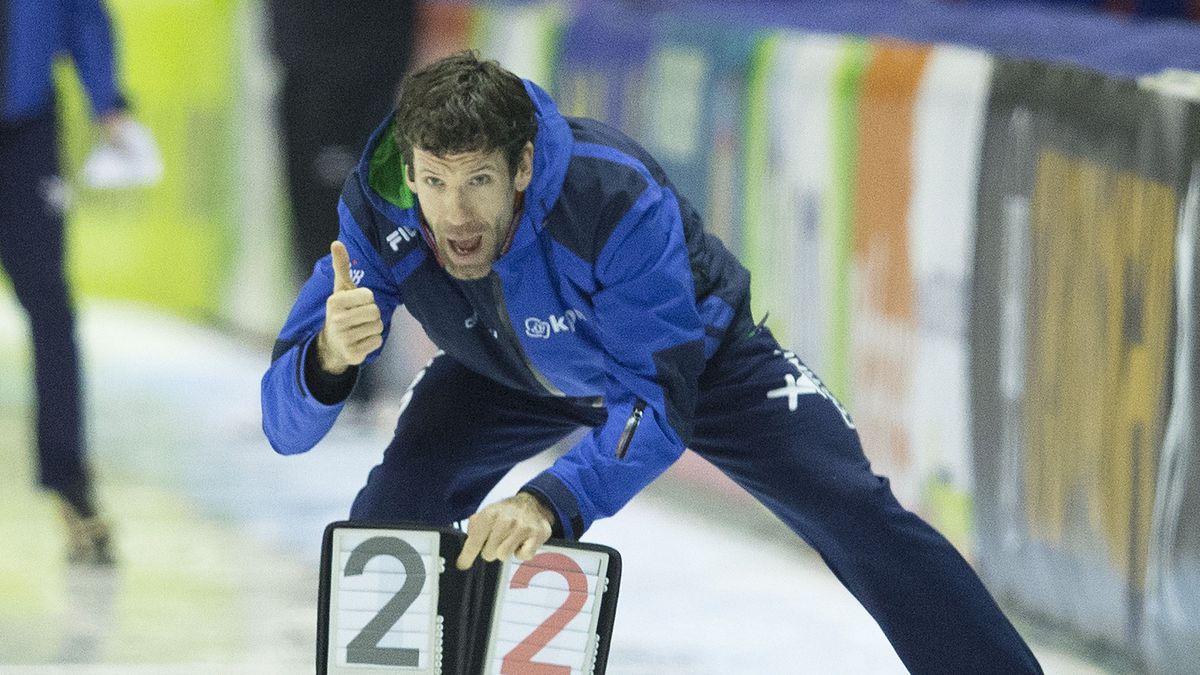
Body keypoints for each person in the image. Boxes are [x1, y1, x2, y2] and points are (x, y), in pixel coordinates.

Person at [261, 51, 1043, 674]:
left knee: (857, 511)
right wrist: (328, 358)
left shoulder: (613, 196)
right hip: (505, 371)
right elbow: (283, 427)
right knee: (390, 519)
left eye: (478, 183)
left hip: (695, 362)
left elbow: (653, 407)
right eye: (435, 182)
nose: (455, 217)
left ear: (523, 167)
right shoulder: (381, 207)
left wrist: (548, 500)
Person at [1, 0, 149, 564]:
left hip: (26, 130)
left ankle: (71, 483)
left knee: (50, 307)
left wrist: (107, 99)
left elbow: (82, 11)